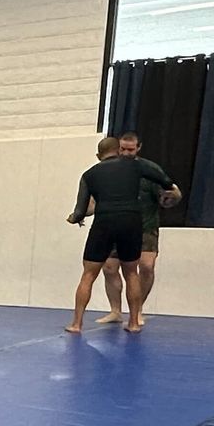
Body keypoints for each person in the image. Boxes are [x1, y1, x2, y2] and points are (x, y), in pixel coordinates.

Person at [65, 136, 181, 334]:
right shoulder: (135, 167)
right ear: (118, 150)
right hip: (130, 223)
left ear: (98, 155)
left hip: (104, 223)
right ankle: (134, 322)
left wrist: (75, 218)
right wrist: (171, 190)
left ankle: (76, 324)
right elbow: (165, 181)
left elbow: (81, 208)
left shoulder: (89, 174)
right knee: (131, 273)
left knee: (88, 274)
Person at [96, 132, 179, 325]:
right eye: (122, 149)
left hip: (145, 225)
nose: (126, 153)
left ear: (138, 148)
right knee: (109, 267)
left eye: (130, 150)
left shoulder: (148, 169)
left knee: (146, 266)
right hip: (117, 224)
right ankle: (115, 311)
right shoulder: (110, 170)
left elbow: (171, 192)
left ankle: (137, 309)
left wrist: (170, 198)